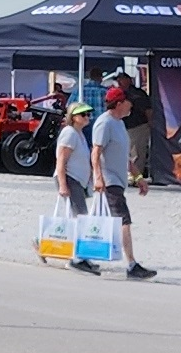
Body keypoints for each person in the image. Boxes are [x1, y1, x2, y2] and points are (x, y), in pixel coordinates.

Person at [53, 100, 153, 281]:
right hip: (72, 179)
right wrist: (63, 184)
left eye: (88, 114)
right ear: (73, 117)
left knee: (78, 217)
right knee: (81, 217)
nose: (87, 117)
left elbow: (120, 157)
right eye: (83, 114)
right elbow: (62, 161)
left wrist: (137, 177)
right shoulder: (70, 133)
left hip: (81, 180)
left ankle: (60, 249)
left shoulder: (80, 134)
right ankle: (79, 258)